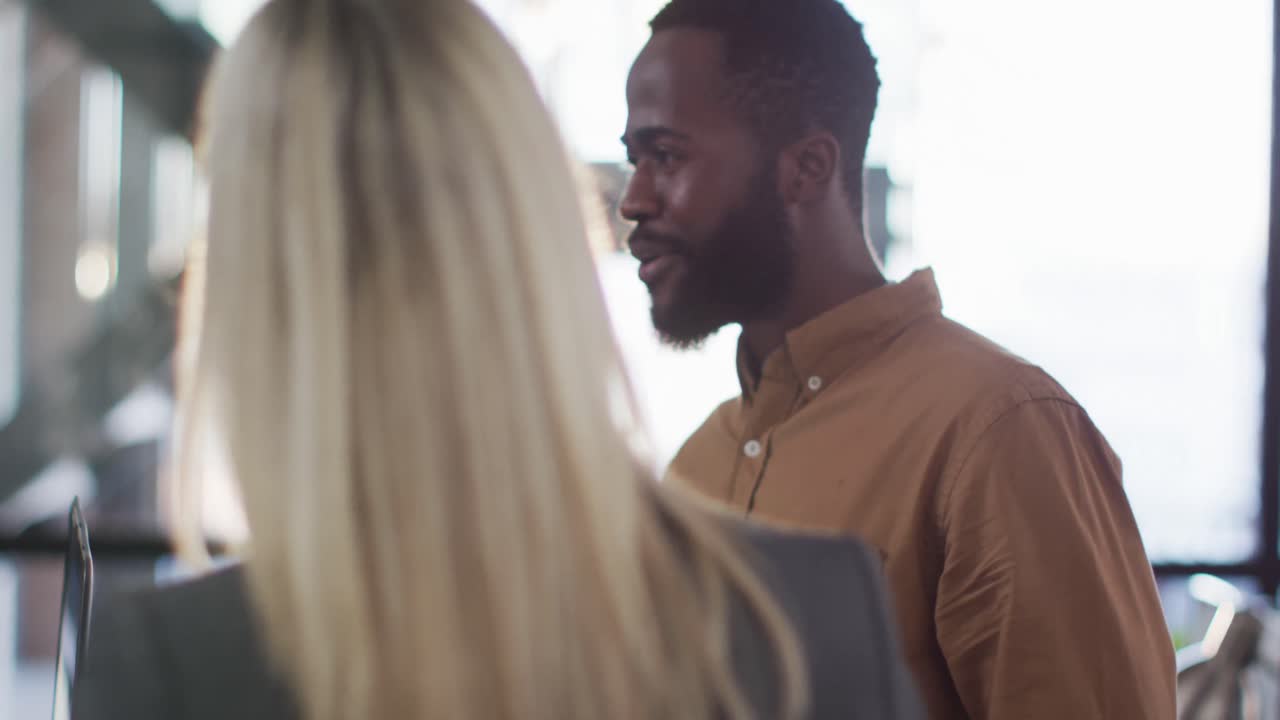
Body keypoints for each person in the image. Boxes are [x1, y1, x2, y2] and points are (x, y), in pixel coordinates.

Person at [71, 1, 925, 719]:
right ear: (538, 228)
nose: (636, 200)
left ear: (262, 278)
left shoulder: (174, 667)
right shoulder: (811, 616)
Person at [619, 0, 1177, 718]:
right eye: (634, 159)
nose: (632, 200)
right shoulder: (696, 467)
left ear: (807, 168)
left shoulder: (999, 432)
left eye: (666, 156)